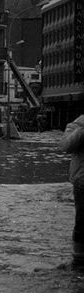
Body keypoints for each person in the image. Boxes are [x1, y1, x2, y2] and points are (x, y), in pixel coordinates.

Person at [59, 114, 84, 268]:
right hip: (83, 181)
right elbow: (65, 146)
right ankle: (79, 260)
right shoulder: (79, 123)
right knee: (82, 220)